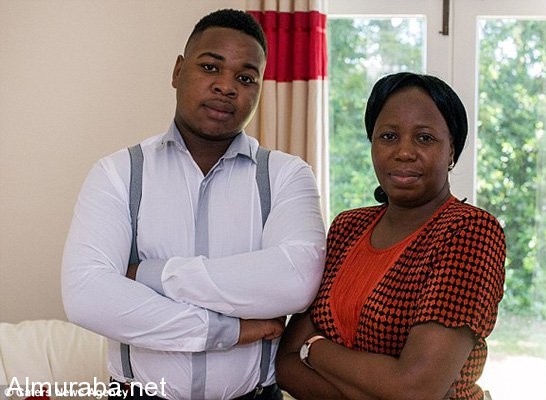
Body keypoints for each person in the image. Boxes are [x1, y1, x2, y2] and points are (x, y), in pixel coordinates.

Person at [61, 9, 326, 400]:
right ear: (177, 71)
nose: (226, 87)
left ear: (259, 90)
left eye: (245, 78)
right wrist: (228, 330)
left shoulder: (286, 175)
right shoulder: (118, 173)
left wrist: (149, 274)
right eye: (210, 67)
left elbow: (296, 282)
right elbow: (87, 296)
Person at [275, 72, 506, 400]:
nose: (404, 152)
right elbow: (285, 364)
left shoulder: (470, 232)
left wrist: (313, 349)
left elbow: (416, 389)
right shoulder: (347, 228)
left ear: (452, 150)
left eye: (424, 138)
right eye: (388, 136)